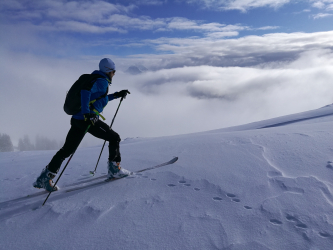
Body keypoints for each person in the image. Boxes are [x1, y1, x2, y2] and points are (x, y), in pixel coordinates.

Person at [33, 58, 131, 192]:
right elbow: (86, 91)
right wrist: (87, 113)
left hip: (77, 119)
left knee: (66, 151)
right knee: (114, 138)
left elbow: (100, 98)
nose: (114, 74)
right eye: (114, 71)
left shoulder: (94, 78)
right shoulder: (101, 81)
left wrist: (116, 95)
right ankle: (114, 169)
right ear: (108, 71)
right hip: (88, 120)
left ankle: (45, 178)